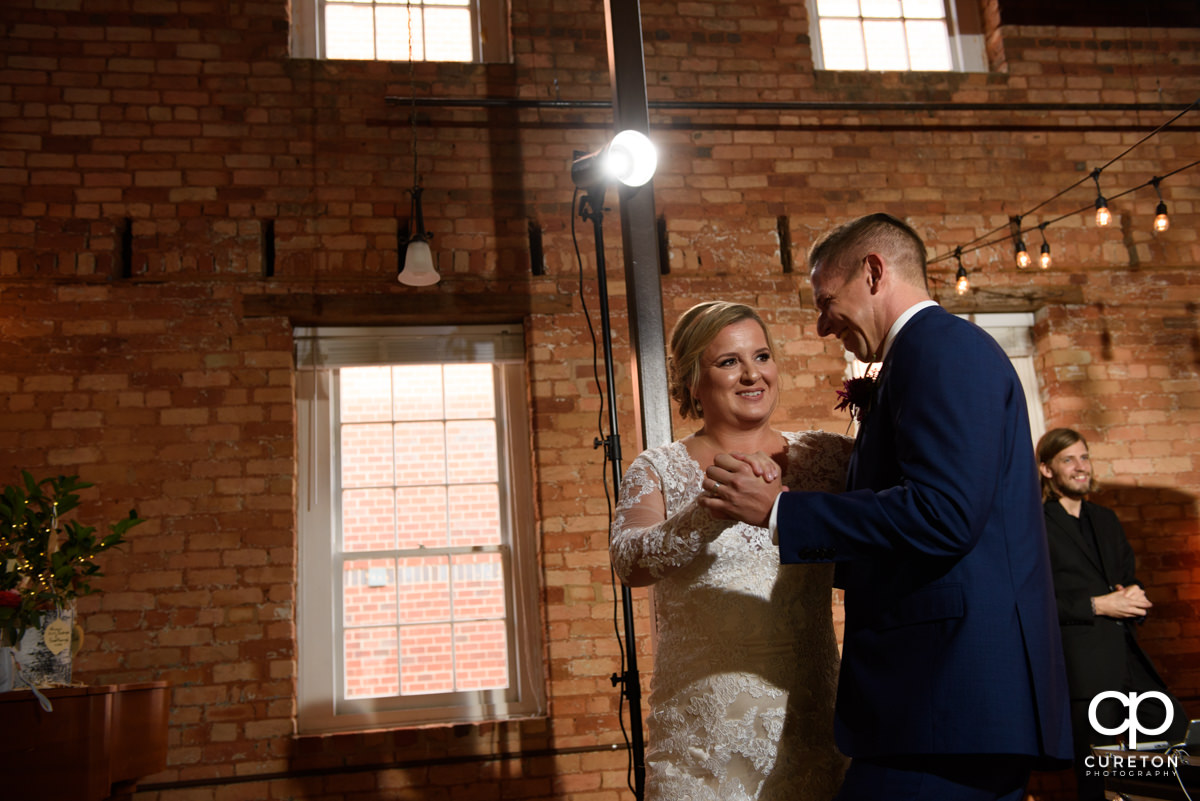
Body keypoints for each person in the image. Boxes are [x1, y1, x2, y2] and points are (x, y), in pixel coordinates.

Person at [697, 213, 1073, 801]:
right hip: (938, 703)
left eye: (826, 301)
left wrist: (782, 511)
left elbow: (943, 513)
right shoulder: (919, 358)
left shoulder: (941, 351)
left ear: (873, 272)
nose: (823, 326)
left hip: (948, 694)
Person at [610, 300, 852, 801]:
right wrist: (705, 513)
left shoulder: (826, 459)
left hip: (810, 725)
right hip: (703, 745)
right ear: (692, 381)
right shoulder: (658, 468)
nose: (751, 375)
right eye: (728, 362)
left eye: (761, 357)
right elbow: (628, 561)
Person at [1036, 427, 1189, 800]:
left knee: (1180, 744)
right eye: (1068, 459)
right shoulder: (1037, 525)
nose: (1081, 467)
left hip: (1129, 662)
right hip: (1083, 675)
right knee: (1099, 781)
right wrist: (1096, 604)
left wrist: (1133, 596)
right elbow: (1033, 602)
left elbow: (1126, 580)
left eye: (1084, 457)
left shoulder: (1106, 519)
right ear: (1047, 470)